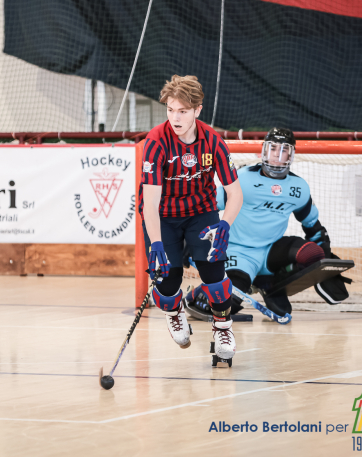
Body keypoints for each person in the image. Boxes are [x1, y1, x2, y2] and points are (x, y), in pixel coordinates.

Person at [139, 75, 243, 365]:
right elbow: (149, 203)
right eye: (171, 110)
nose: (175, 117)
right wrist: (156, 243)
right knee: (167, 279)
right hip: (163, 215)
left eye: (183, 111)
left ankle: (222, 328)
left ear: (197, 110)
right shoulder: (155, 142)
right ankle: (174, 314)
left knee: (213, 271)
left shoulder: (213, 142)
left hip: (201, 212)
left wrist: (225, 225)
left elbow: (235, 193)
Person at [210, 127, 349, 318]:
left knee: (312, 253)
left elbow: (314, 229)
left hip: (270, 251)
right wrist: (190, 241)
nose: (277, 155)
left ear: (291, 155)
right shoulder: (242, 178)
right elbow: (206, 208)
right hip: (238, 251)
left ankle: (270, 285)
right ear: (263, 150)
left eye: (284, 150)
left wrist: (323, 266)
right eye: (273, 148)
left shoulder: (299, 188)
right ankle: (194, 297)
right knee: (227, 305)